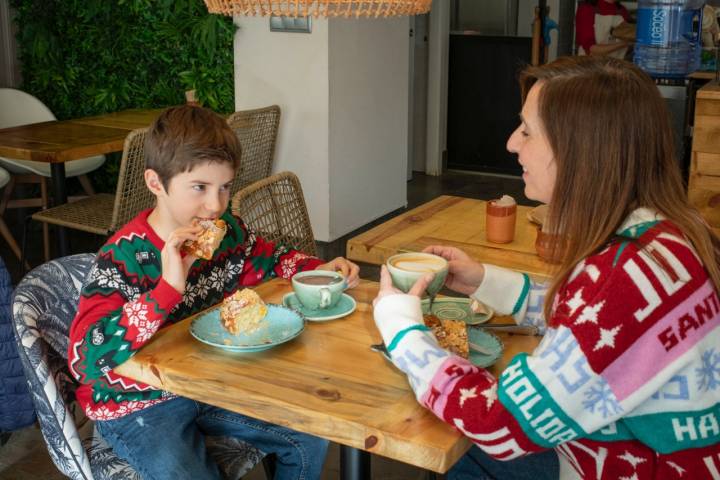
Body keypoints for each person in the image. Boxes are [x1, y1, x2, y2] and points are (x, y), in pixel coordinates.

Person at [372, 56, 720, 479]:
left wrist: (403, 331)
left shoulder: (621, 277)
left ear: (581, 151)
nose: (511, 143)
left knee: (461, 449)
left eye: (527, 131)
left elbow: (497, 423)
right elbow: (600, 325)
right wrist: (488, 282)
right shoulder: (669, 234)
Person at [68, 104, 360, 480]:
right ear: (156, 183)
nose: (215, 205)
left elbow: (269, 258)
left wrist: (315, 270)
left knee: (310, 435)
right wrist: (166, 291)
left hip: (208, 386)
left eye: (224, 187)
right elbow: (84, 359)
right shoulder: (122, 258)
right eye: (199, 188)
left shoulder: (226, 231)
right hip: (135, 404)